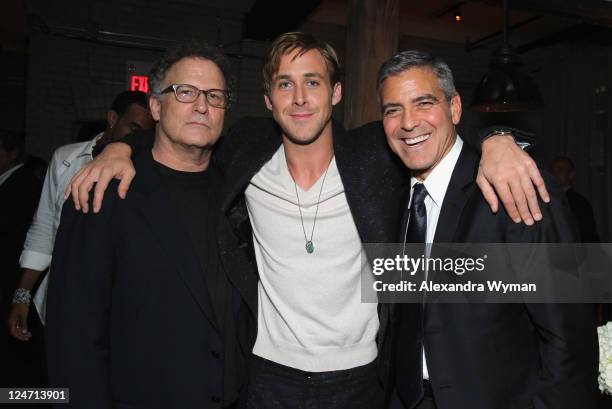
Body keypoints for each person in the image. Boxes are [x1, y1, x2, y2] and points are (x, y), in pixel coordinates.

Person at [66, 33, 551, 408]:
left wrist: (499, 140)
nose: (299, 98)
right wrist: (118, 147)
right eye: (284, 84)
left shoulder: (374, 156)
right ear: (268, 100)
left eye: (313, 82)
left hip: (362, 382)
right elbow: (176, 144)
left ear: (336, 93)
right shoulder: (243, 154)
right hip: (267, 381)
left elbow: (425, 133)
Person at [377, 50, 598, 409]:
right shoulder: (395, 197)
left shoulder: (516, 185)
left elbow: (569, 337)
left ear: (455, 108)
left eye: (423, 103)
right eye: (392, 110)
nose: (408, 122)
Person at [45, 47, 239, 409]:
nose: (202, 106)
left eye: (215, 96)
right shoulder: (103, 189)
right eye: (185, 92)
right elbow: (73, 334)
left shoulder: (240, 188)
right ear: (155, 107)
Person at [8, 90, 152, 343]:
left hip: (113, 319)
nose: (138, 137)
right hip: (57, 305)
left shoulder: (144, 171)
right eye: (133, 127)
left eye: (145, 132)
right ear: (112, 118)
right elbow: (44, 228)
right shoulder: (66, 158)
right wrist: (22, 295)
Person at [551, 156, 600, 243]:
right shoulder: (545, 199)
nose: (555, 174)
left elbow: (587, 235)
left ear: (571, 174)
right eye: (553, 171)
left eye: (560, 170)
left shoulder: (580, 203)